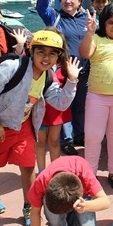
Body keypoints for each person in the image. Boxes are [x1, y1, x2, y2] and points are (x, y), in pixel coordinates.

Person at [0, 29, 81, 226]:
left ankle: (29, 206)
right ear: (31, 50)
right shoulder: (12, 66)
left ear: (58, 57)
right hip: (0, 124)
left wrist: (72, 80)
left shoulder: (49, 77)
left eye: (52, 54)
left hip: (25, 126)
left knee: (28, 166)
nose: (46, 58)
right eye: (41, 52)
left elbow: (60, 103)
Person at [78, 3, 113, 190]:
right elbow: (84, 53)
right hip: (97, 96)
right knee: (93, 136)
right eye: (111, 22)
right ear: (104, 23)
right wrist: (89, 32)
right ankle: (90, 173)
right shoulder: (95, 38)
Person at [36, 0, 89, 150]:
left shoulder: (86, 18)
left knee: (80, 104)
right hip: (63, 70)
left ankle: (79, 135)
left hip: (84, 69)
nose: (68, 0)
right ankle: (66, 140)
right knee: (65, 104)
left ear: (80, 1)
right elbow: (41, 7)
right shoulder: (56, 18)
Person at [28, 155, 111, 226]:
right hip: (58, 198)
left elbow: (106, 201)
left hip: (81, 199)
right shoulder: (41, 181)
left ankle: (69, 219)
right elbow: (35, 212)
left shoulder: (84, 174)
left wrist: (86, 206)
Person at [36, 31, 75, 171]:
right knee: (40, 142)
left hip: (56, 110)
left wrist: (73, 76)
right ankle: (41, 171)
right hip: (39, 108)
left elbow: (69, 87)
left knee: (54, 141)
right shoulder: (36, 62)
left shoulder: (65, 64)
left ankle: (54, 171)